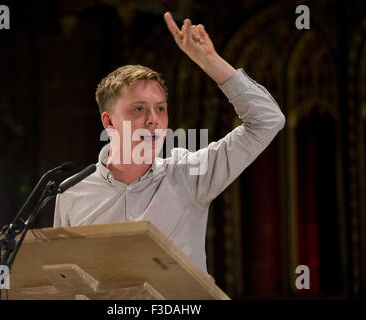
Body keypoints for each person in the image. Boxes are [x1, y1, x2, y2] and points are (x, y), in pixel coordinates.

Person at [53, 12, 285, 273]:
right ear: (109, 122)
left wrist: (209, 60)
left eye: (160, 109)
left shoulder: (188, 174)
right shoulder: (71, 192)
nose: (154, 120)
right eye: (139, 109)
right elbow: (67, 277)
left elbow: (268, 121)